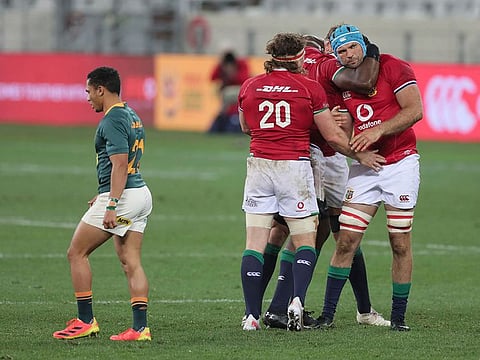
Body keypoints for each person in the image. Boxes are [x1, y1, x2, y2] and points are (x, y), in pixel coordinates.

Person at [238, 32, 385, 331]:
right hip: (299, 164)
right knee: (309, 236)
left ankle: (252, 315)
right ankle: (295, 301)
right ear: (301, 57)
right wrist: (360, 155)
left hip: (259, 166)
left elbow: (245, 127)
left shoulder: (250, 84)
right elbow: (332, 134)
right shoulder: (311, 83)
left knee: (258, 241)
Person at [316, 24, 423, 331]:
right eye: (341, 52)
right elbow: (340, 132)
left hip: (400, 163)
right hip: (366, 168)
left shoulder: (394, 67)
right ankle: (327, 316)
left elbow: (415, 110)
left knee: (399, 242)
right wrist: (353, 144)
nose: (348, 55)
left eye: (352, 47)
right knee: (346, 240)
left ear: (363, 44)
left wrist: (378, 129)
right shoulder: (338, 82)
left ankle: (399, 318)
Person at [53, 66, 153, 341]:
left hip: (123, 201)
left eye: (89, 91)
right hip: (140, 196)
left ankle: (85, 321)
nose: (87, 98)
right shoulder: (131, 114)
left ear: (101, 89)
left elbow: (120, 163)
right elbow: (128, 163)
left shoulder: (111, 119)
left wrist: (111, 204)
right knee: (130, 260)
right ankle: (140, 328)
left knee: (76, 252)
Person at [209, 49, 250, 133]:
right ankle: (222, 123)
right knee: (225, 98)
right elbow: (212, 77)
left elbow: (244, 80)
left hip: (242, 90)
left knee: (229, 97)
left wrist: (232, 74)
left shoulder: (241, 64)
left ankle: (230, 122)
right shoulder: (222, 65)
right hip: (229, 94)